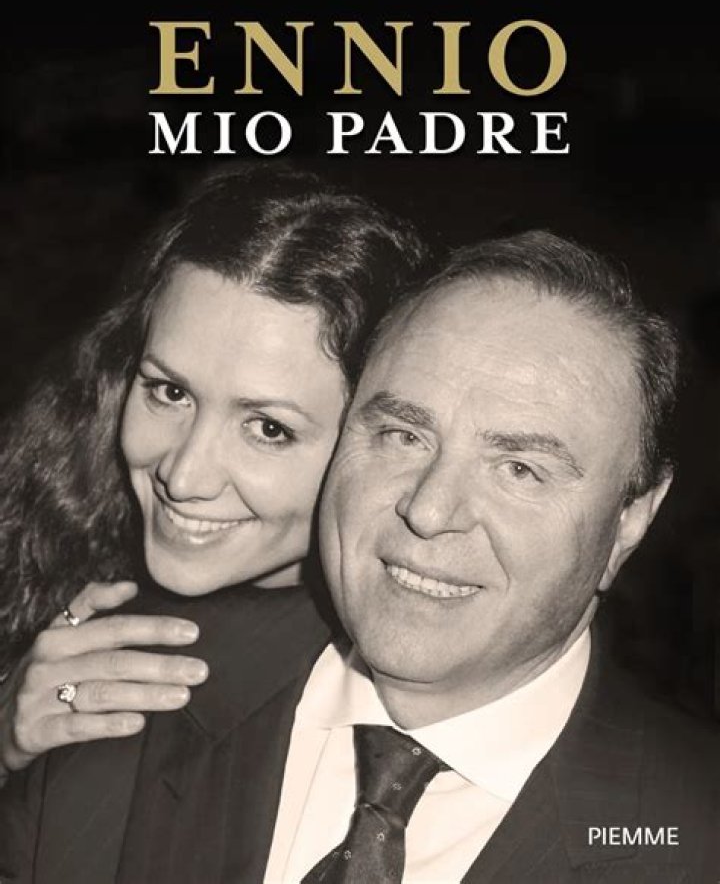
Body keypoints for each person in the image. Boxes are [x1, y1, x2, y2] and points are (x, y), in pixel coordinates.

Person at [4, 230, 720, 883]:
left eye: (520, 469)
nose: (429, 510)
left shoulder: (689, 841)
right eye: (403, 435)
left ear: (631, 519)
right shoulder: (104, 703)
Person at [0, 164, 428, 789]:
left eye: (269, 429)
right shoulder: (33, 526)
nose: (183, 475)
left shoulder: (404, 676)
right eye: (169, 392)